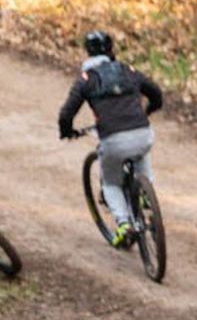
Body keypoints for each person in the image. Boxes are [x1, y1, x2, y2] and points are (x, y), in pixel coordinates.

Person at [55, 29, 164, 248]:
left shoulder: (86, 80)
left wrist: (67, 131)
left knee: (111, 183)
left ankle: (124, 224)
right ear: (111, 50)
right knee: (141, 149)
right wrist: (146, 111)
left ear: (87, 52)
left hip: (113, 140)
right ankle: (145, 192)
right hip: (143, 132)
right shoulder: (129, 71)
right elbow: (157, 95)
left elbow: (66, 114)